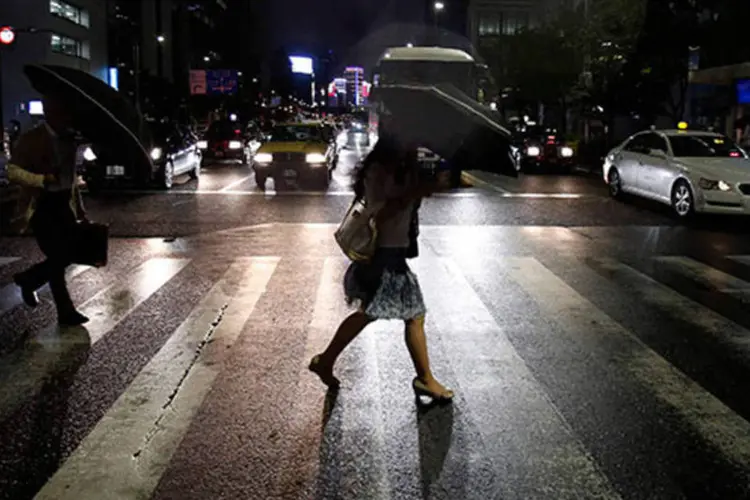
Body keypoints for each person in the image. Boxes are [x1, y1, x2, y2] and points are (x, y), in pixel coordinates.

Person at [309, 134, 454, 403]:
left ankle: (326, 360)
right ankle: (424, 379)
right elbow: (381, 212)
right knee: (408, 315)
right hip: (383, 257)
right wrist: (414, 192)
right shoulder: (380, 172)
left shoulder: (398, 171)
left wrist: (430, 186)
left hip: (392, 254)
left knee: (382, 314)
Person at [7, 95, 89, 326]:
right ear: (50, 113)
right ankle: (64, 310)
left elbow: (71, 181)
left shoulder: (69, 141)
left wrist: (80, 210)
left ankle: (30, 279)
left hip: (64, 204)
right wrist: (41, 179)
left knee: (66, 254)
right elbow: (13, 171)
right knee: (59, 255)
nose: (67, 118)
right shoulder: (30, 139)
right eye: (62, 112)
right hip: (42, 204)